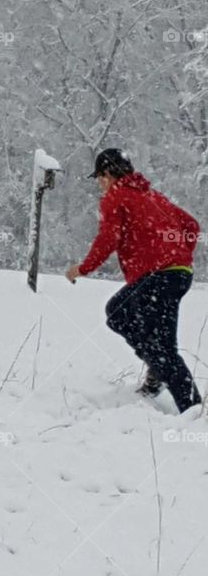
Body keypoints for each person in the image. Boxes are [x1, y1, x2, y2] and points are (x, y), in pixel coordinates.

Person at [66, 148, 202, 414]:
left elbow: (108, 238)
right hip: (178, 273)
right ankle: (158, 371)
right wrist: (179, 255)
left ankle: (193, 409)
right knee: (122, 313)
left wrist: (83, 268)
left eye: (100, 178)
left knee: (126, 320)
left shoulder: (116, 197)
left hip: (157, 277)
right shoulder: (152, 196)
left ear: (108, 174)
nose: (100, 185)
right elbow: (191, 226)